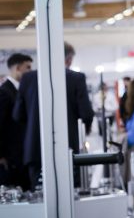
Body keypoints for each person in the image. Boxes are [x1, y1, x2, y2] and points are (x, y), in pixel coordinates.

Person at [14, 42, 94, 188]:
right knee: (69, 196)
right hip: (67, 148)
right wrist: (86, 129)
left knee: (39, 198)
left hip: (35, 150)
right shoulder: (76, 78)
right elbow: (86, 113)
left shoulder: (27, 79)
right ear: (69, 59)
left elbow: (18, 115)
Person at [0, 53, 33, 188]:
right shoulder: (4, 92)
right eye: (28, 67)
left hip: (22, 155)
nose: (30, 71)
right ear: (18, 68)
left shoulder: (21, 90)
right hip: (10, 158)